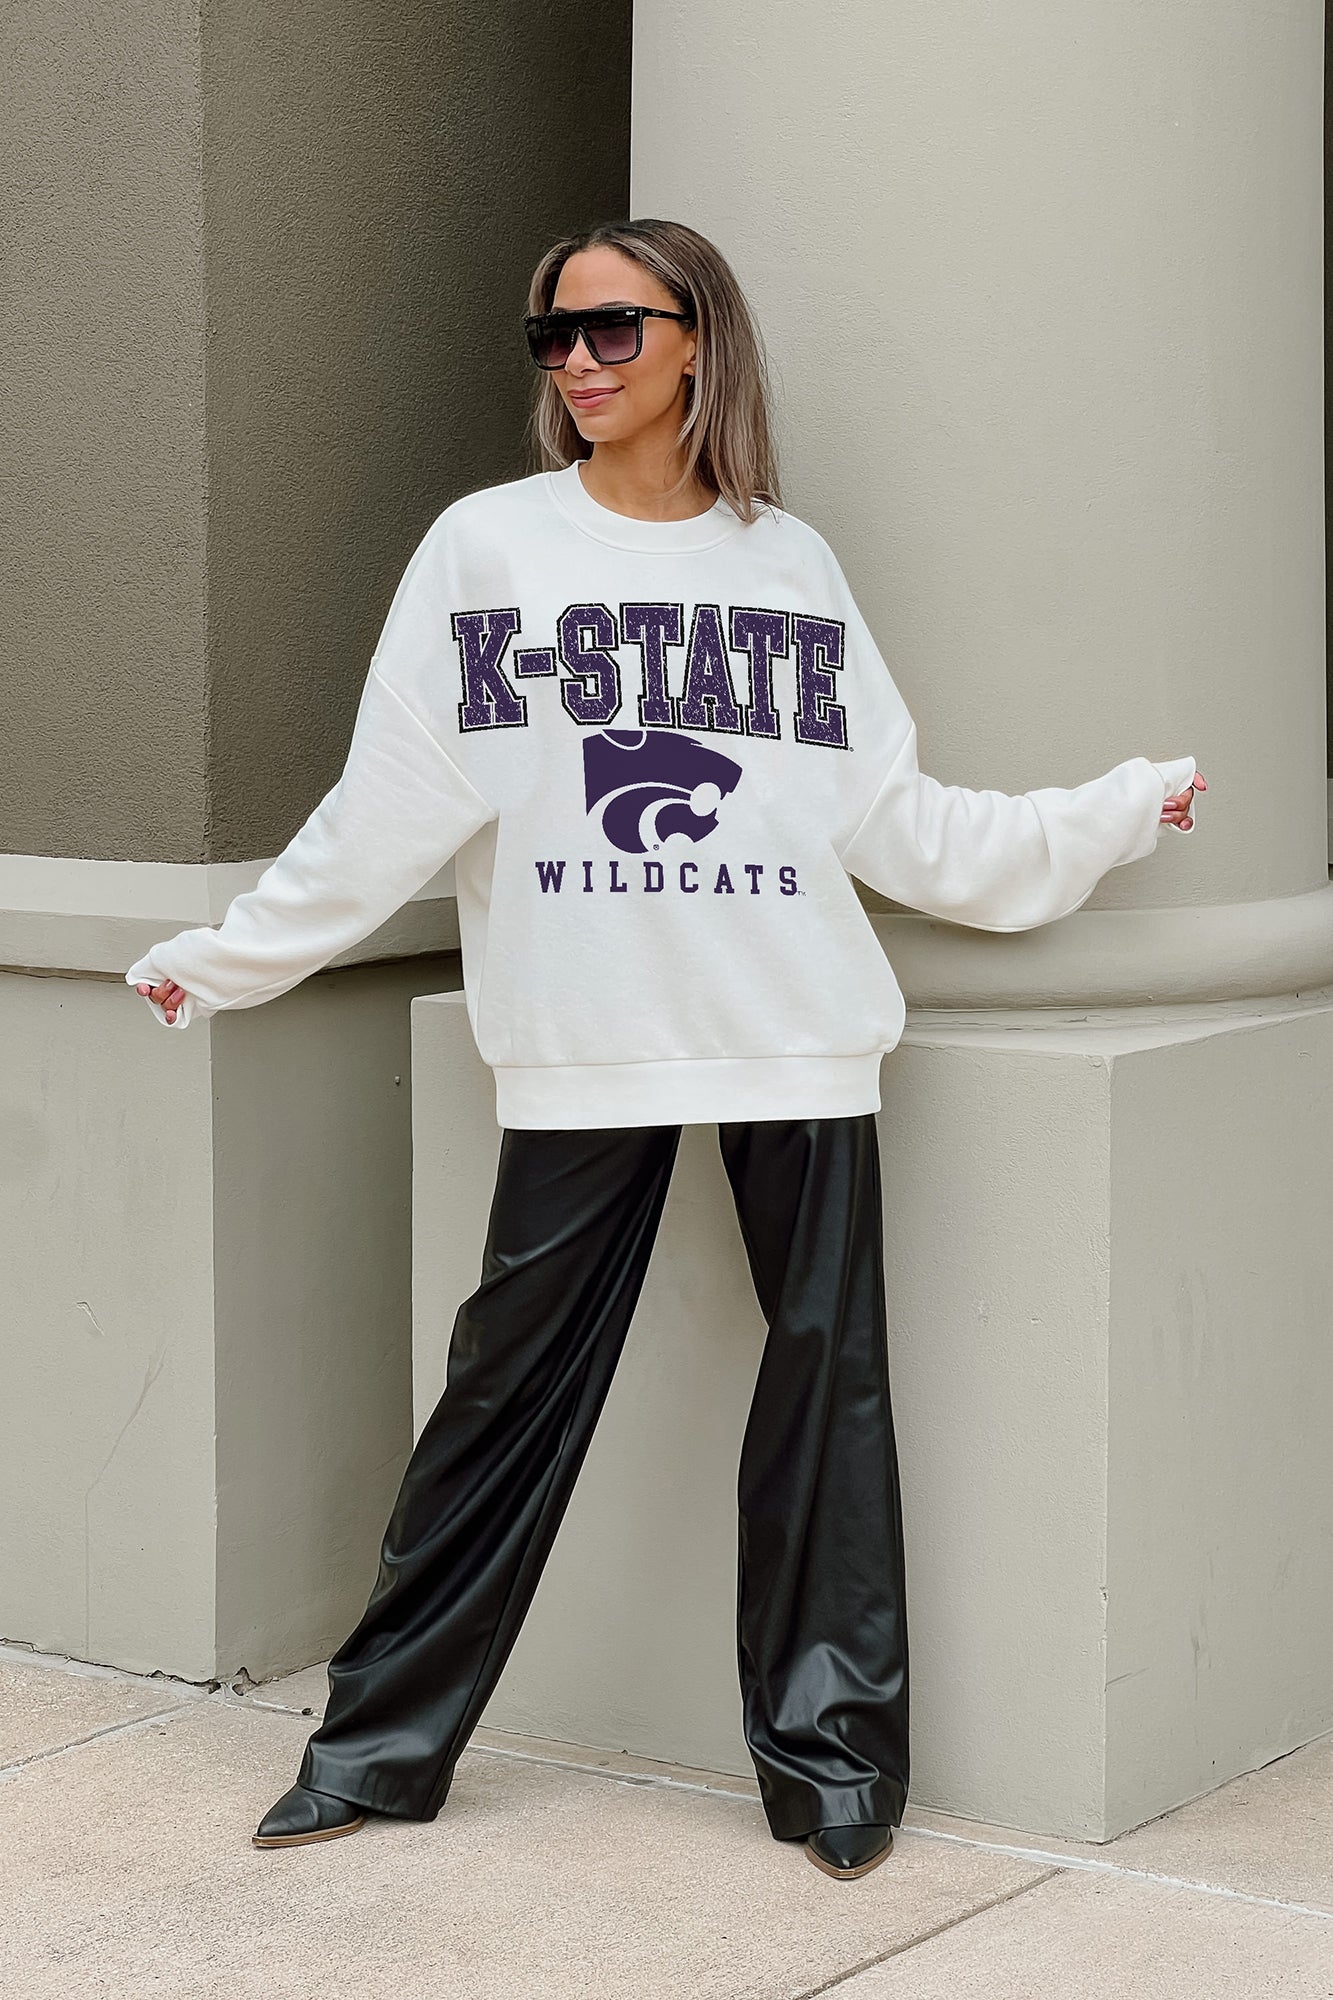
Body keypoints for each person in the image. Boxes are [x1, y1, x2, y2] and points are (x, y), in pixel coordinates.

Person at [126, 217, 1204, 1884]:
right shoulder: (488, 549)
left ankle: (832, 1765)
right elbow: (388, 804)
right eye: (552, 336)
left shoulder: (789, 564)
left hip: (794, 1031)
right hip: (589, 1037)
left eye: (613, 330)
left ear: (699, 339)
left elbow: (894, 821)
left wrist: (1112, 813)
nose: (578, 362)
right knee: (503, 1393)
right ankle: (376, 1749)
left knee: (828, 1392)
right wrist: (229, 958)